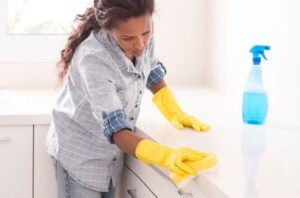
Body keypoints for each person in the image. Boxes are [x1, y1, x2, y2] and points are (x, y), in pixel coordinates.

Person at [46, 0, 216, 197]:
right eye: (128, 39)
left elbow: (149, 67)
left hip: (110, 155)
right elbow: (117, 130)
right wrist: (167, 156)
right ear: (108, 29)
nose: (140, 45)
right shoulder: (93, 58)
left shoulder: (140, 26)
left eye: (146, 33)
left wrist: (173, 110)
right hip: (80, 155)